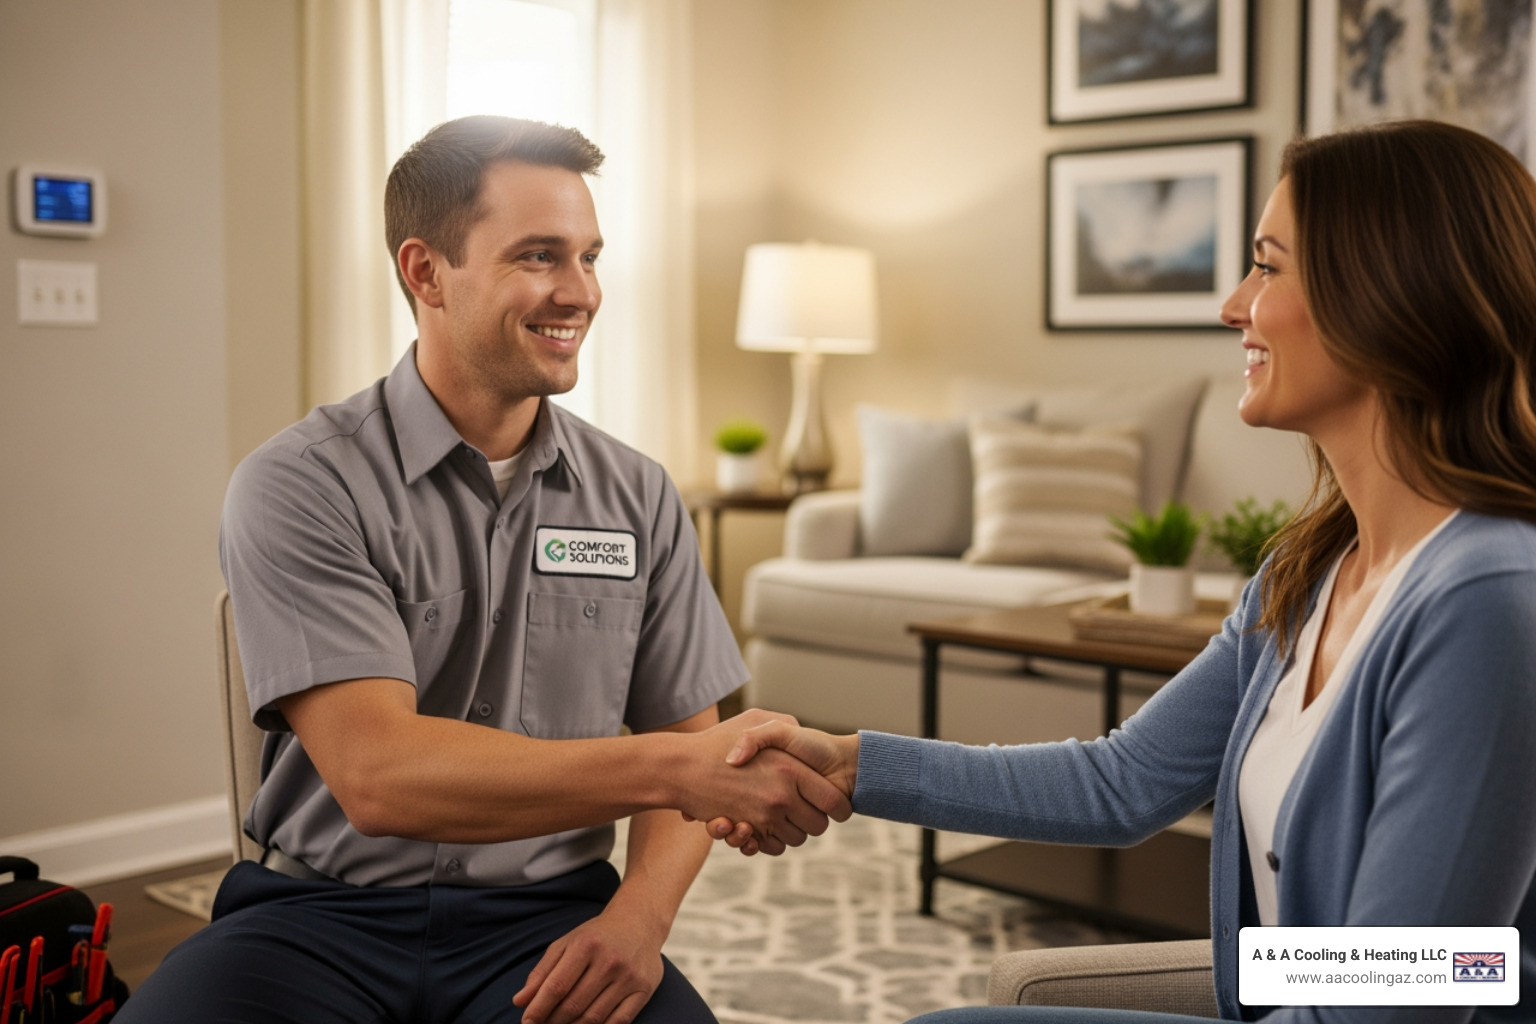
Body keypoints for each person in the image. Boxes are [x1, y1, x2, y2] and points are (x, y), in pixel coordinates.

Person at [709, 120, 1536, 1024]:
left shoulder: (1486, 598)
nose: (1233, 305)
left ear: (1386, 293)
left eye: (1267, 266)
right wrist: (851, 763)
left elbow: (1412, 991)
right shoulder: (1310, 572)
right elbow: (1121, 782)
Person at [118, 115, 848, 1024]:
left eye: (590, 256)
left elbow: (687, 749)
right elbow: (381, 776)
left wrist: (638, 921)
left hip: (548, 926)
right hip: (316, 921)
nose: (579, 291)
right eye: (540, 256)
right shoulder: (301, 483)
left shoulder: (639, 496)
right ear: (425, 271)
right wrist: (682, 768)